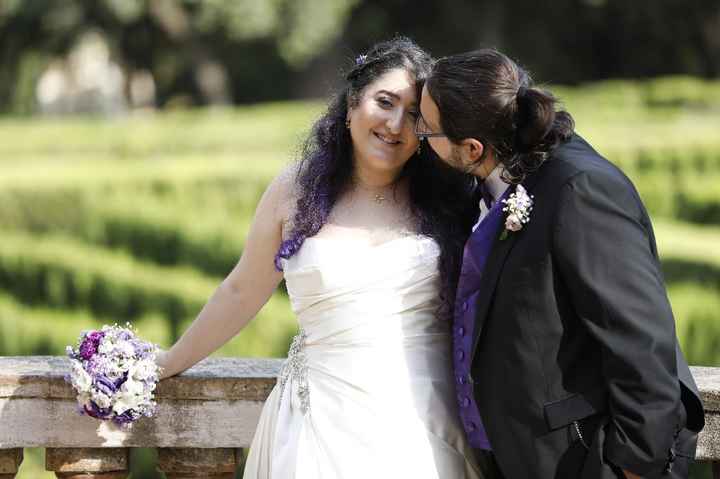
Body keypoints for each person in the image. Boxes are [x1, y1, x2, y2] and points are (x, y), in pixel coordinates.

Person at [157, 37, 483, 478]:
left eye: (413, 115)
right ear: (352, 103)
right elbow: (240, 291)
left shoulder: (449, 201)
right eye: (383, 102)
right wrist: (168, 362)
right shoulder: (293, 192)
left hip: (422, 420)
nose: (394, 124)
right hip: (316, 426)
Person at [415, 48, 705, 479]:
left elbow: (640, 343)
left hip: (580, 461)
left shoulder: (581, 191)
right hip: (514, 456)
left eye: (426, 129)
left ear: (472, 148)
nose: (418, 133)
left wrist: (633, 467)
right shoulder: (496, 176)